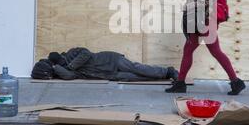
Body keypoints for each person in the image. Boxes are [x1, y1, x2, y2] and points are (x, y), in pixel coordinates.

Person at [165, 0, 245, 95]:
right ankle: (235, 82)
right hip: (206, 21)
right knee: (202, 51)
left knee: (206, 52)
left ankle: (236, 82)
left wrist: (189, 6)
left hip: (202, 22)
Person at [45, 47, 178, 82]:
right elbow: (69, 76)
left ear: (62, 56)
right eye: (59, 64)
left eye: (61, 61)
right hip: (109, 74)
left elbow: (86, 53)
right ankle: (160, 77)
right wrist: (55, 68)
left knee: (137, 68)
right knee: (134, 77)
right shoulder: (66, 67)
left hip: (111, 59)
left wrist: (71, 65)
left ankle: (168, 71)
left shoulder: (72, 53)